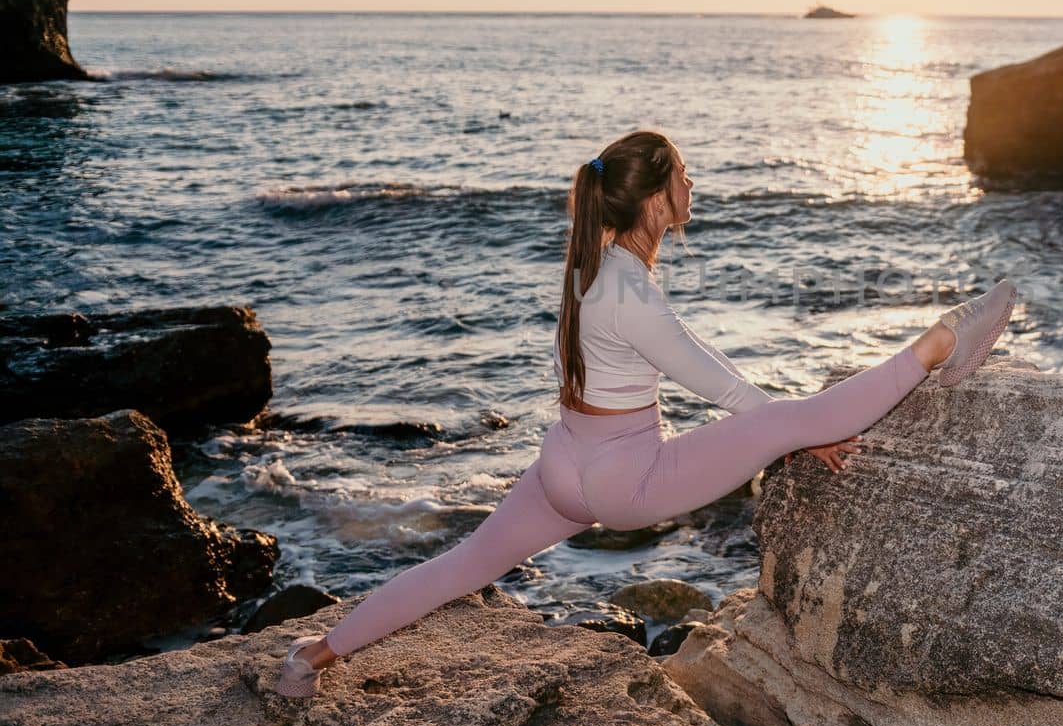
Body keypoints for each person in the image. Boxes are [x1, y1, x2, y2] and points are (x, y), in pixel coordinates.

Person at [277, 129, 1016, 697]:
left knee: (462, 563)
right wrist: (797, 430)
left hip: (563, 463)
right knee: (793, 414)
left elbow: (704, 360)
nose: (694, 185)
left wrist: (783, 431)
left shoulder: (590, 265)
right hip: (625, 481)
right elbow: (715, 383)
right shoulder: (633, 293)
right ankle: (944, 338)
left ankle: (311, 657)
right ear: (657, 198)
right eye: (684, 176)